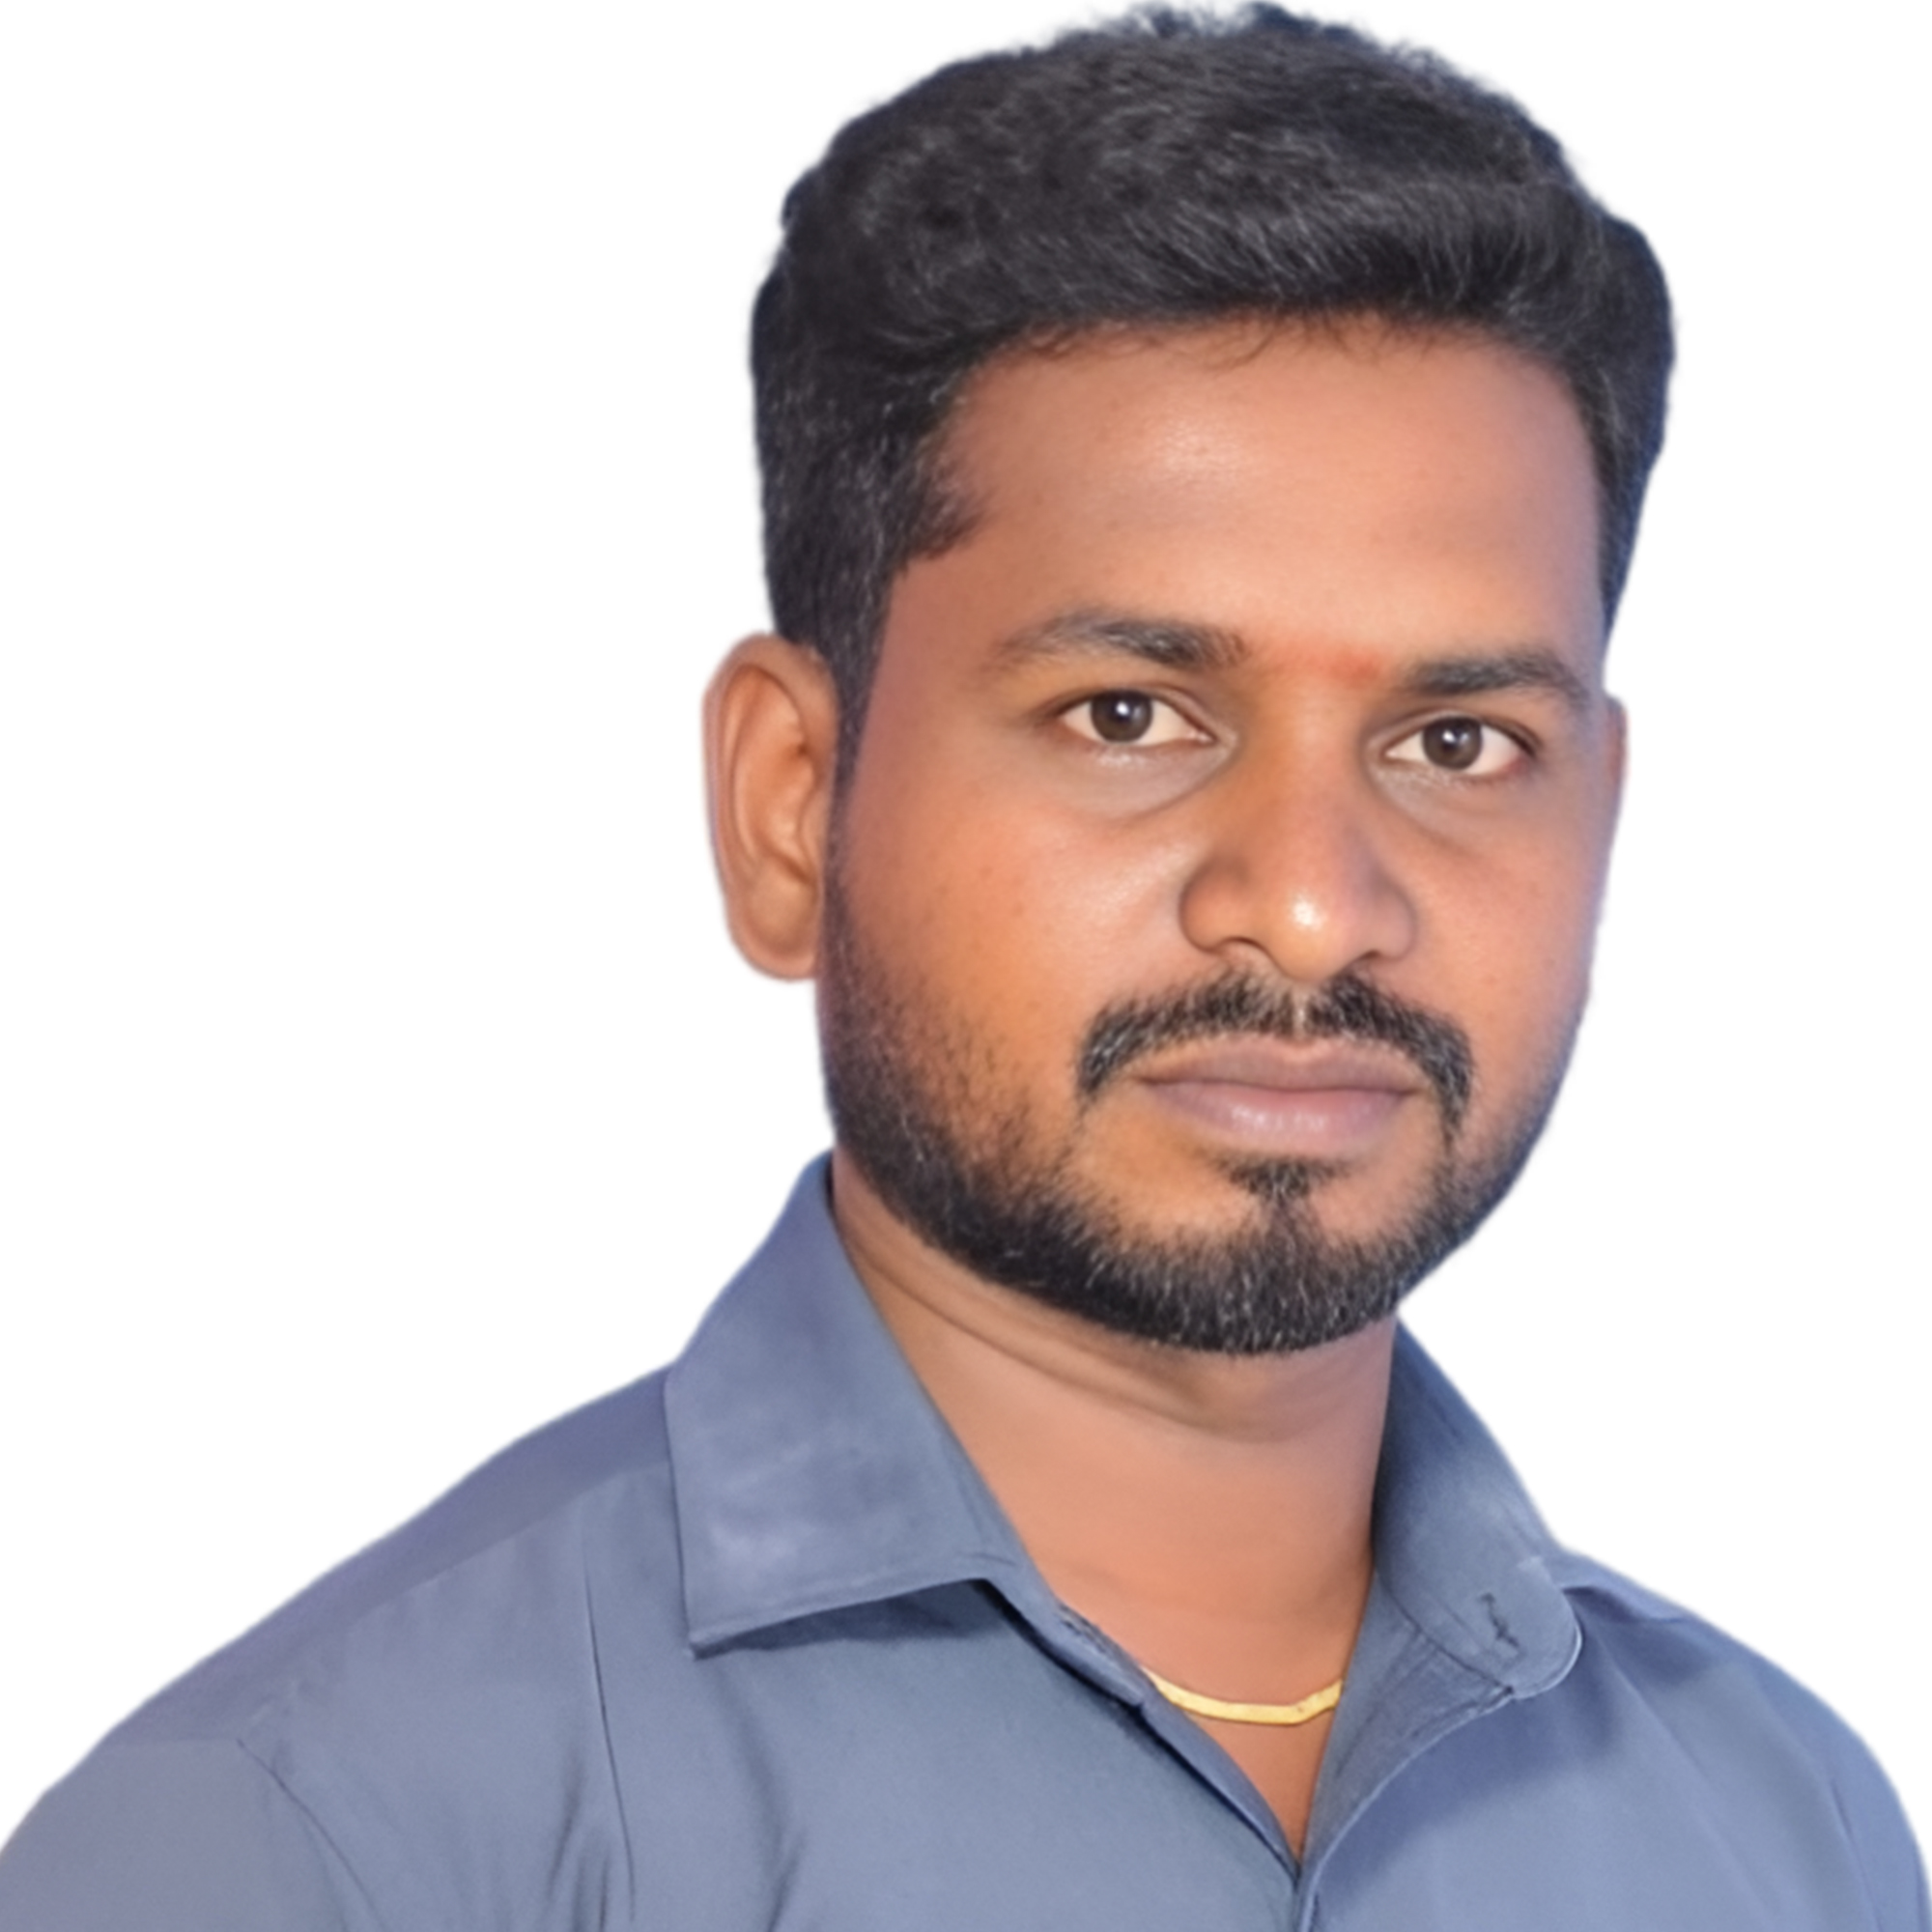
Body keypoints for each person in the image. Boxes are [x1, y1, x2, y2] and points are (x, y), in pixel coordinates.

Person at [2, 6, 1922, 1925]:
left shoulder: (1789, 1831)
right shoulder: (317, 1842)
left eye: (1454, 743)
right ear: (788, 806)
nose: (1311, 908)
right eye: (1128, 715)